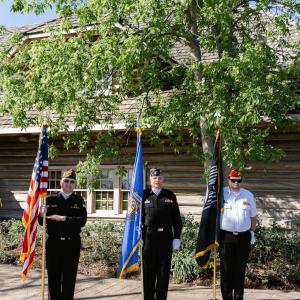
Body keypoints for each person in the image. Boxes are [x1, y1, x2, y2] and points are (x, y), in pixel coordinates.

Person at [38, 169, 87, 300]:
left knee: (69, 279)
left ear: (74, 184)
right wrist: (42, 214)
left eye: (72, 182)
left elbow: (82, 221)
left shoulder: (79, 200)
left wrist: (63, 218)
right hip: (54, 243)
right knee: (53, 278)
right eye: (66, 180)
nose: (69, 184)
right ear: (61, 182)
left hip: (72, 244)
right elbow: (41, 222)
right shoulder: (50, 199)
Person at [142, 168, 183, 300]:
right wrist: (138, 237)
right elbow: (137, 218)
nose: (157, 180)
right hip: (148, 238)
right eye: (154, 178)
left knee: (163, 273)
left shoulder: (170, 195)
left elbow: (177, 220)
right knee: (148, 274)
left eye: (159, 178)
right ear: (150, 180)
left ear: (163, 179)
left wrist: (177, 237)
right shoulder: (143, 195)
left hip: (165, 239)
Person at [219, 168, 257, 300]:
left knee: (240, 270)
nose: (236, 183)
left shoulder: (248, 195)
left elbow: (253, 217)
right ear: (228, 180)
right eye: (233, 180)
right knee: (226, 269)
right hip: (226, 237)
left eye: (239, 181)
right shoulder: (221, 193)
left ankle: (239, 297)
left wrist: (252, 233)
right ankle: (227, 297)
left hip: (243, 237)